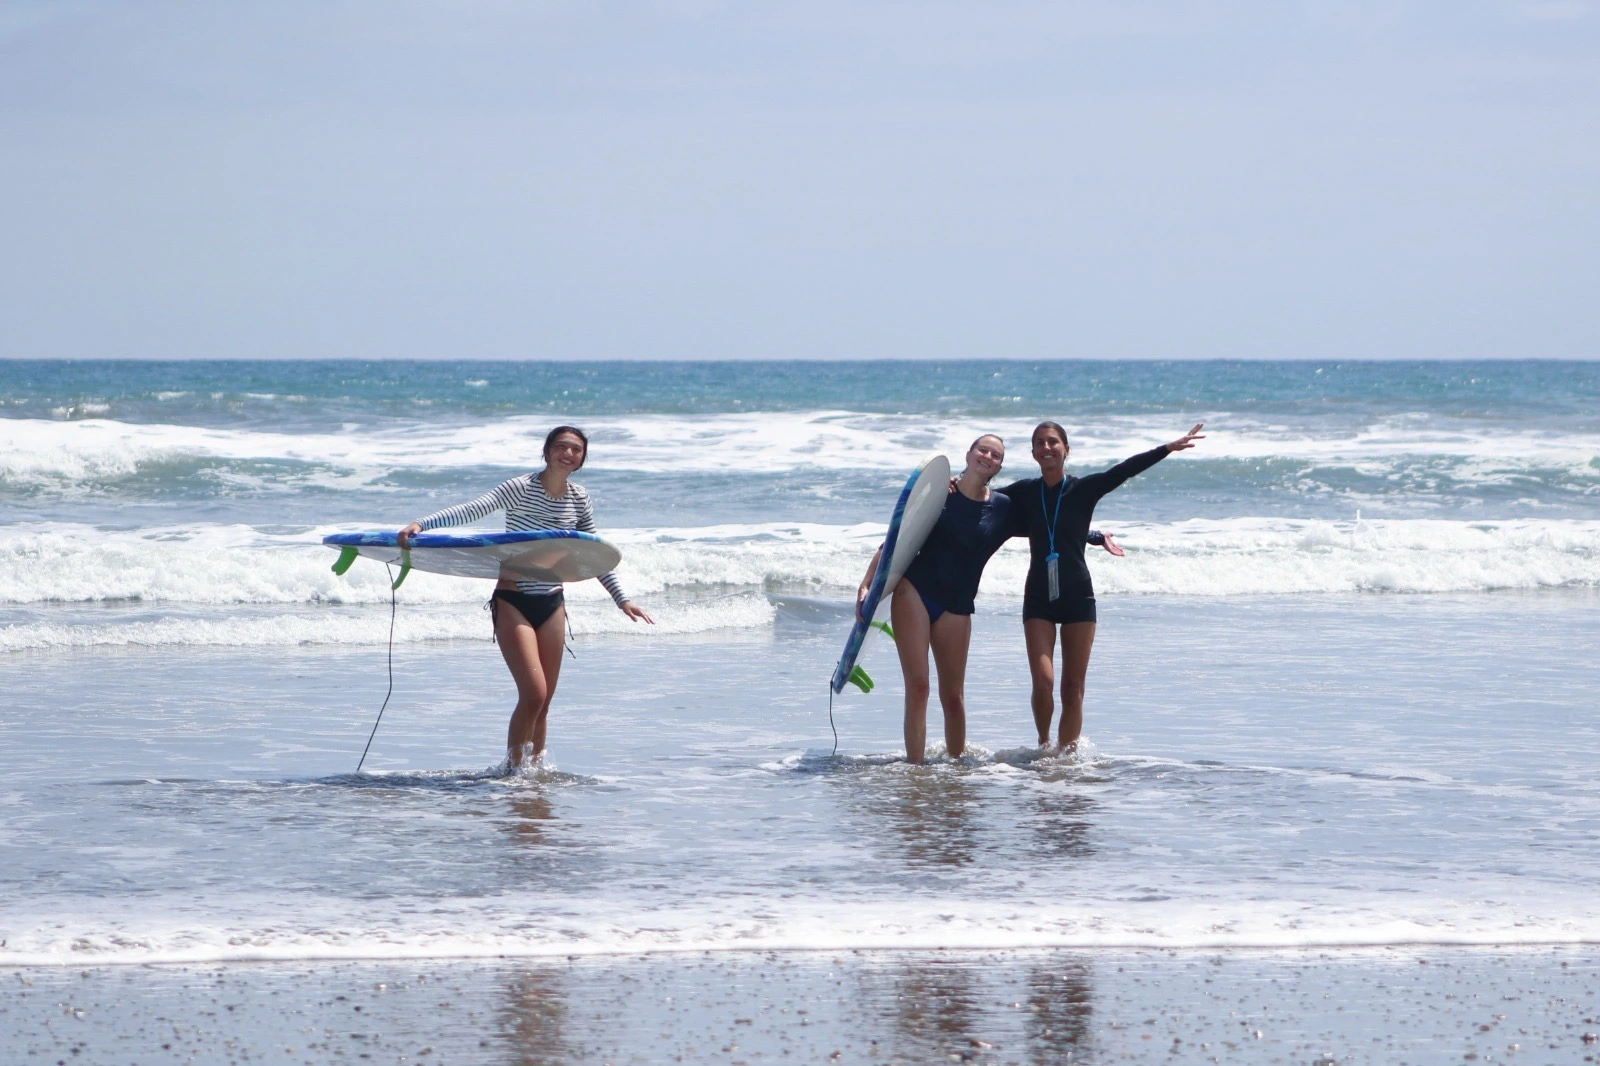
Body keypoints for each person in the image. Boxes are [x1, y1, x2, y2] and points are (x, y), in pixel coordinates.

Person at [396, 426, 653, 768]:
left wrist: (622, 599)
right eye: (561, 446)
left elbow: (592, 554)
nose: (568, 453)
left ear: (582, 459)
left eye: (576, 449)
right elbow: (474, 509)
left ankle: (535, 773)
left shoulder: (580, 498)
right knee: (534, 694)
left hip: (552, 603)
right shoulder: (520, 488)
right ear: (546, 452)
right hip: (514, 599)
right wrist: (422, 523)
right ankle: (514, 772)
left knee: (545, 702)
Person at [996, 421, 1204, 751]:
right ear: (1033, 452)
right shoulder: (1022, 492)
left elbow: (1123, 471)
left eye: (1053, 442)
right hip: (1038, 597)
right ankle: (1044, 745)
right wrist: (952, 484)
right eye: (1039, 443)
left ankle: (1066, 757)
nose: (1046, 448)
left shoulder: (1085, 489)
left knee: (1072, 687)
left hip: (1079, 596)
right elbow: (980, 499)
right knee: (1043, 681)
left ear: (1066, 448)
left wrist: (1167, 448)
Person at [856, 434, 1015, 765]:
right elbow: (897, 539)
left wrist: (1090, 536)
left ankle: (956, 769)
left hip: (957, 605)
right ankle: (916, 768)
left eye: (995, 455)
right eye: (982, 449)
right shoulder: (940, 493)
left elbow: (1046, 527)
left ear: (999, 466)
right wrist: (867, 584)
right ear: (969, 453)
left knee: (954, 698)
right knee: (918, 686)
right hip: (915, 591)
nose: (987, 456)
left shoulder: (1002, 508)